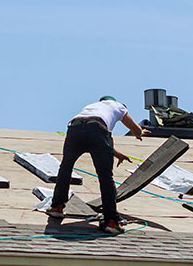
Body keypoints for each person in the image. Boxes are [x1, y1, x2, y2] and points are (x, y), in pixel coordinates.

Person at [47, 96, 146, 234]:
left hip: (75, 128)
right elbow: (133, 129)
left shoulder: (92, 107)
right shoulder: (119, 106)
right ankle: (111, 221)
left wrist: (117, 154)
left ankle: (57, 207)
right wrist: (140, 132)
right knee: (105, 176)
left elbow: (97, 138)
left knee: (66, 167)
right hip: (97, 130)